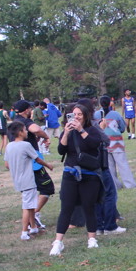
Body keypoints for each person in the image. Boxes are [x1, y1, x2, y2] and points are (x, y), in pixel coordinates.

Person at [49, 102, 104, 256]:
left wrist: (81, 130)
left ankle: (92, 239)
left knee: (88, 207)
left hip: (89, 174)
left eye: (80, 114)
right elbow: (61, 150)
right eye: (74, 114)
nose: (77, 117)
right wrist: (66, 133)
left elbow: (93, 145)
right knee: (66, 208)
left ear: (85, 116)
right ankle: (58, 242)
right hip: (70, 173)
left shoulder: (91, 130)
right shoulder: (68, 131)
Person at [5, 121, 53, 240]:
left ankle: (34, 227)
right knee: (26, 206)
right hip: (28, 181)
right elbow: (38, 160)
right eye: (25, 130)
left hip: (17, 180)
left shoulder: (9, 146)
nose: (27, 132)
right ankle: (24, 232)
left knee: (31, 204)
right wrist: (48, 165)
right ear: (20, 132)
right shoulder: (26, 145)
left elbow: (7, 164)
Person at [12, 100, 54, 229]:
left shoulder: (14, 123)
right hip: (33, 163)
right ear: (26, 110)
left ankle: (32, 223)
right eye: (30, 108)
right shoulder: (24, 122)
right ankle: (34, 215)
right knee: (47, 188)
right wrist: (46, 137)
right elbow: (36, 129)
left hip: (19, 164)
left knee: (30, 193)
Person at [96, 95, 136, 189]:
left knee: (109, 167)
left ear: (100, 104)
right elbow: (122, 127)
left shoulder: (96, 115)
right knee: (122, 164)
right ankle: (130, 184)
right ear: (110, 103)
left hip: (103, 143)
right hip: (116, 143)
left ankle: (115, 185)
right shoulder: (115, 114)